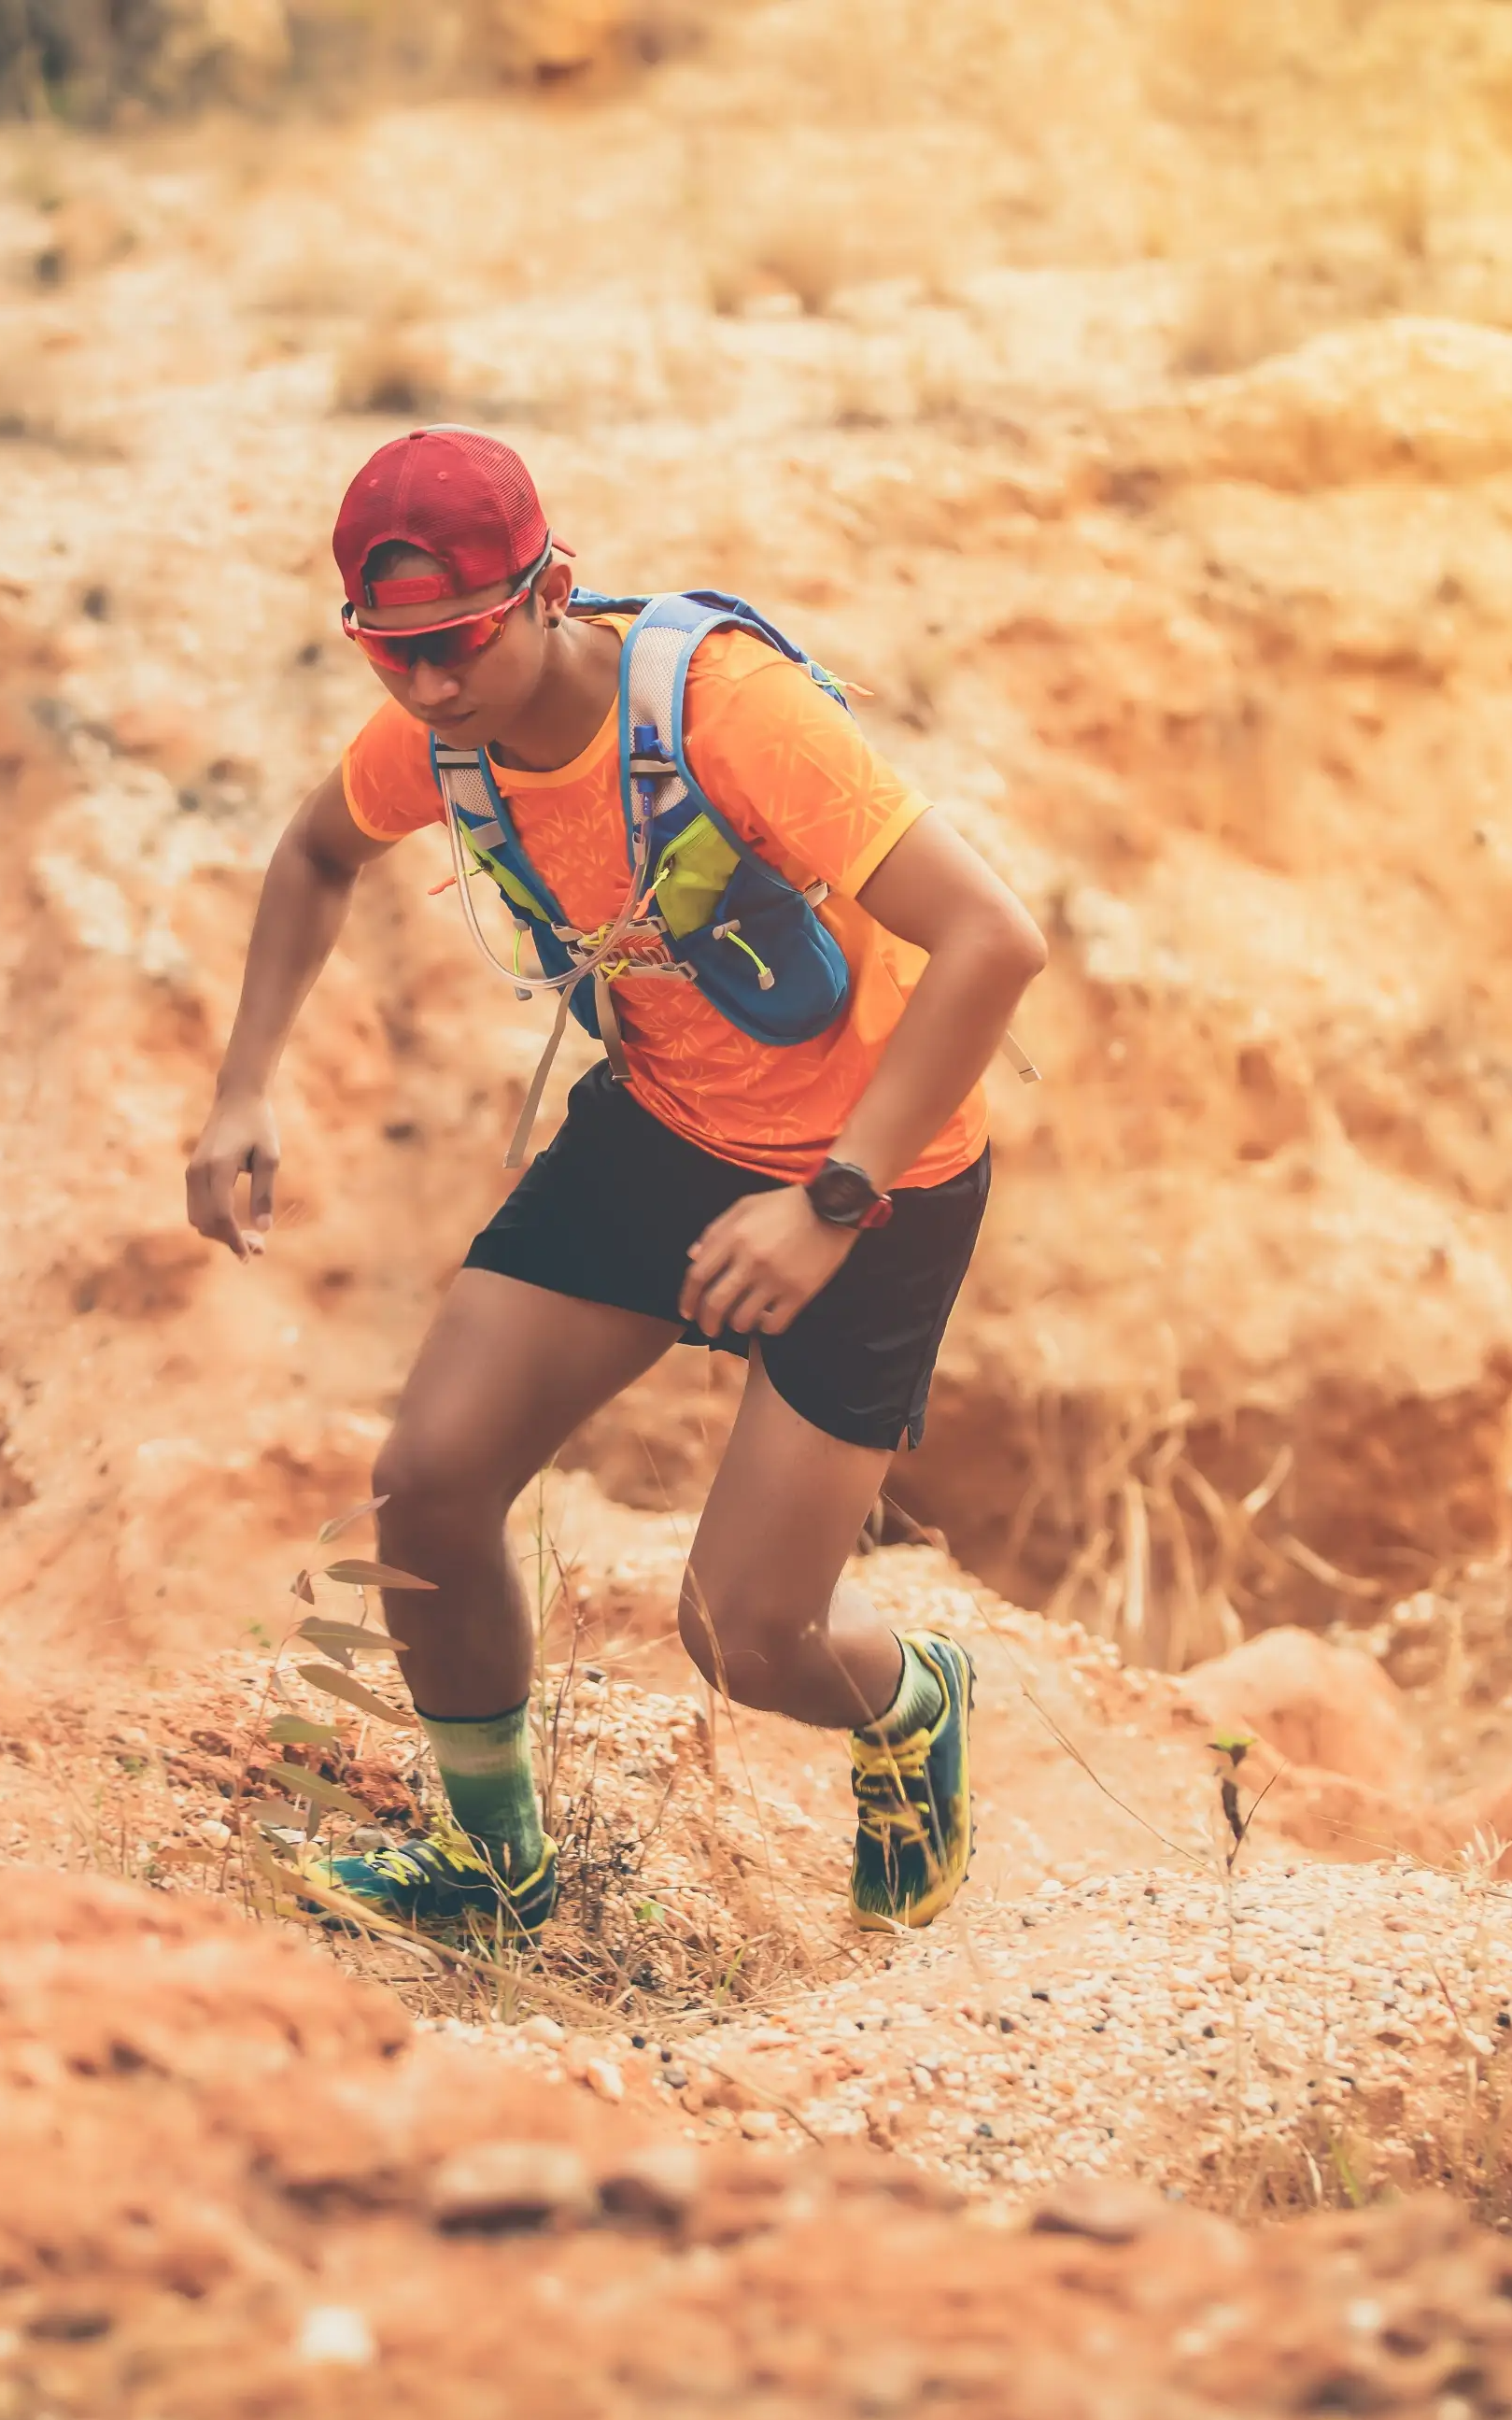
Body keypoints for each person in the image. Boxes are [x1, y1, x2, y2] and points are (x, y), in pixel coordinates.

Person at [182, 426, 1046, 1942]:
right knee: (429, 1484)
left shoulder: (728, 714)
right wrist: (245, 1081)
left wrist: (831, 1202)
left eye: (458, 642)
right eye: (389, 652)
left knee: (746, 1632)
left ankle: (913, 1704)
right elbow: (317, 852)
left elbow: (995, 938)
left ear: (549, 590)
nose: (427, 687)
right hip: (661, 1128)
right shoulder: (437, 743)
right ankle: (495, 1871)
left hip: (879, 1174)